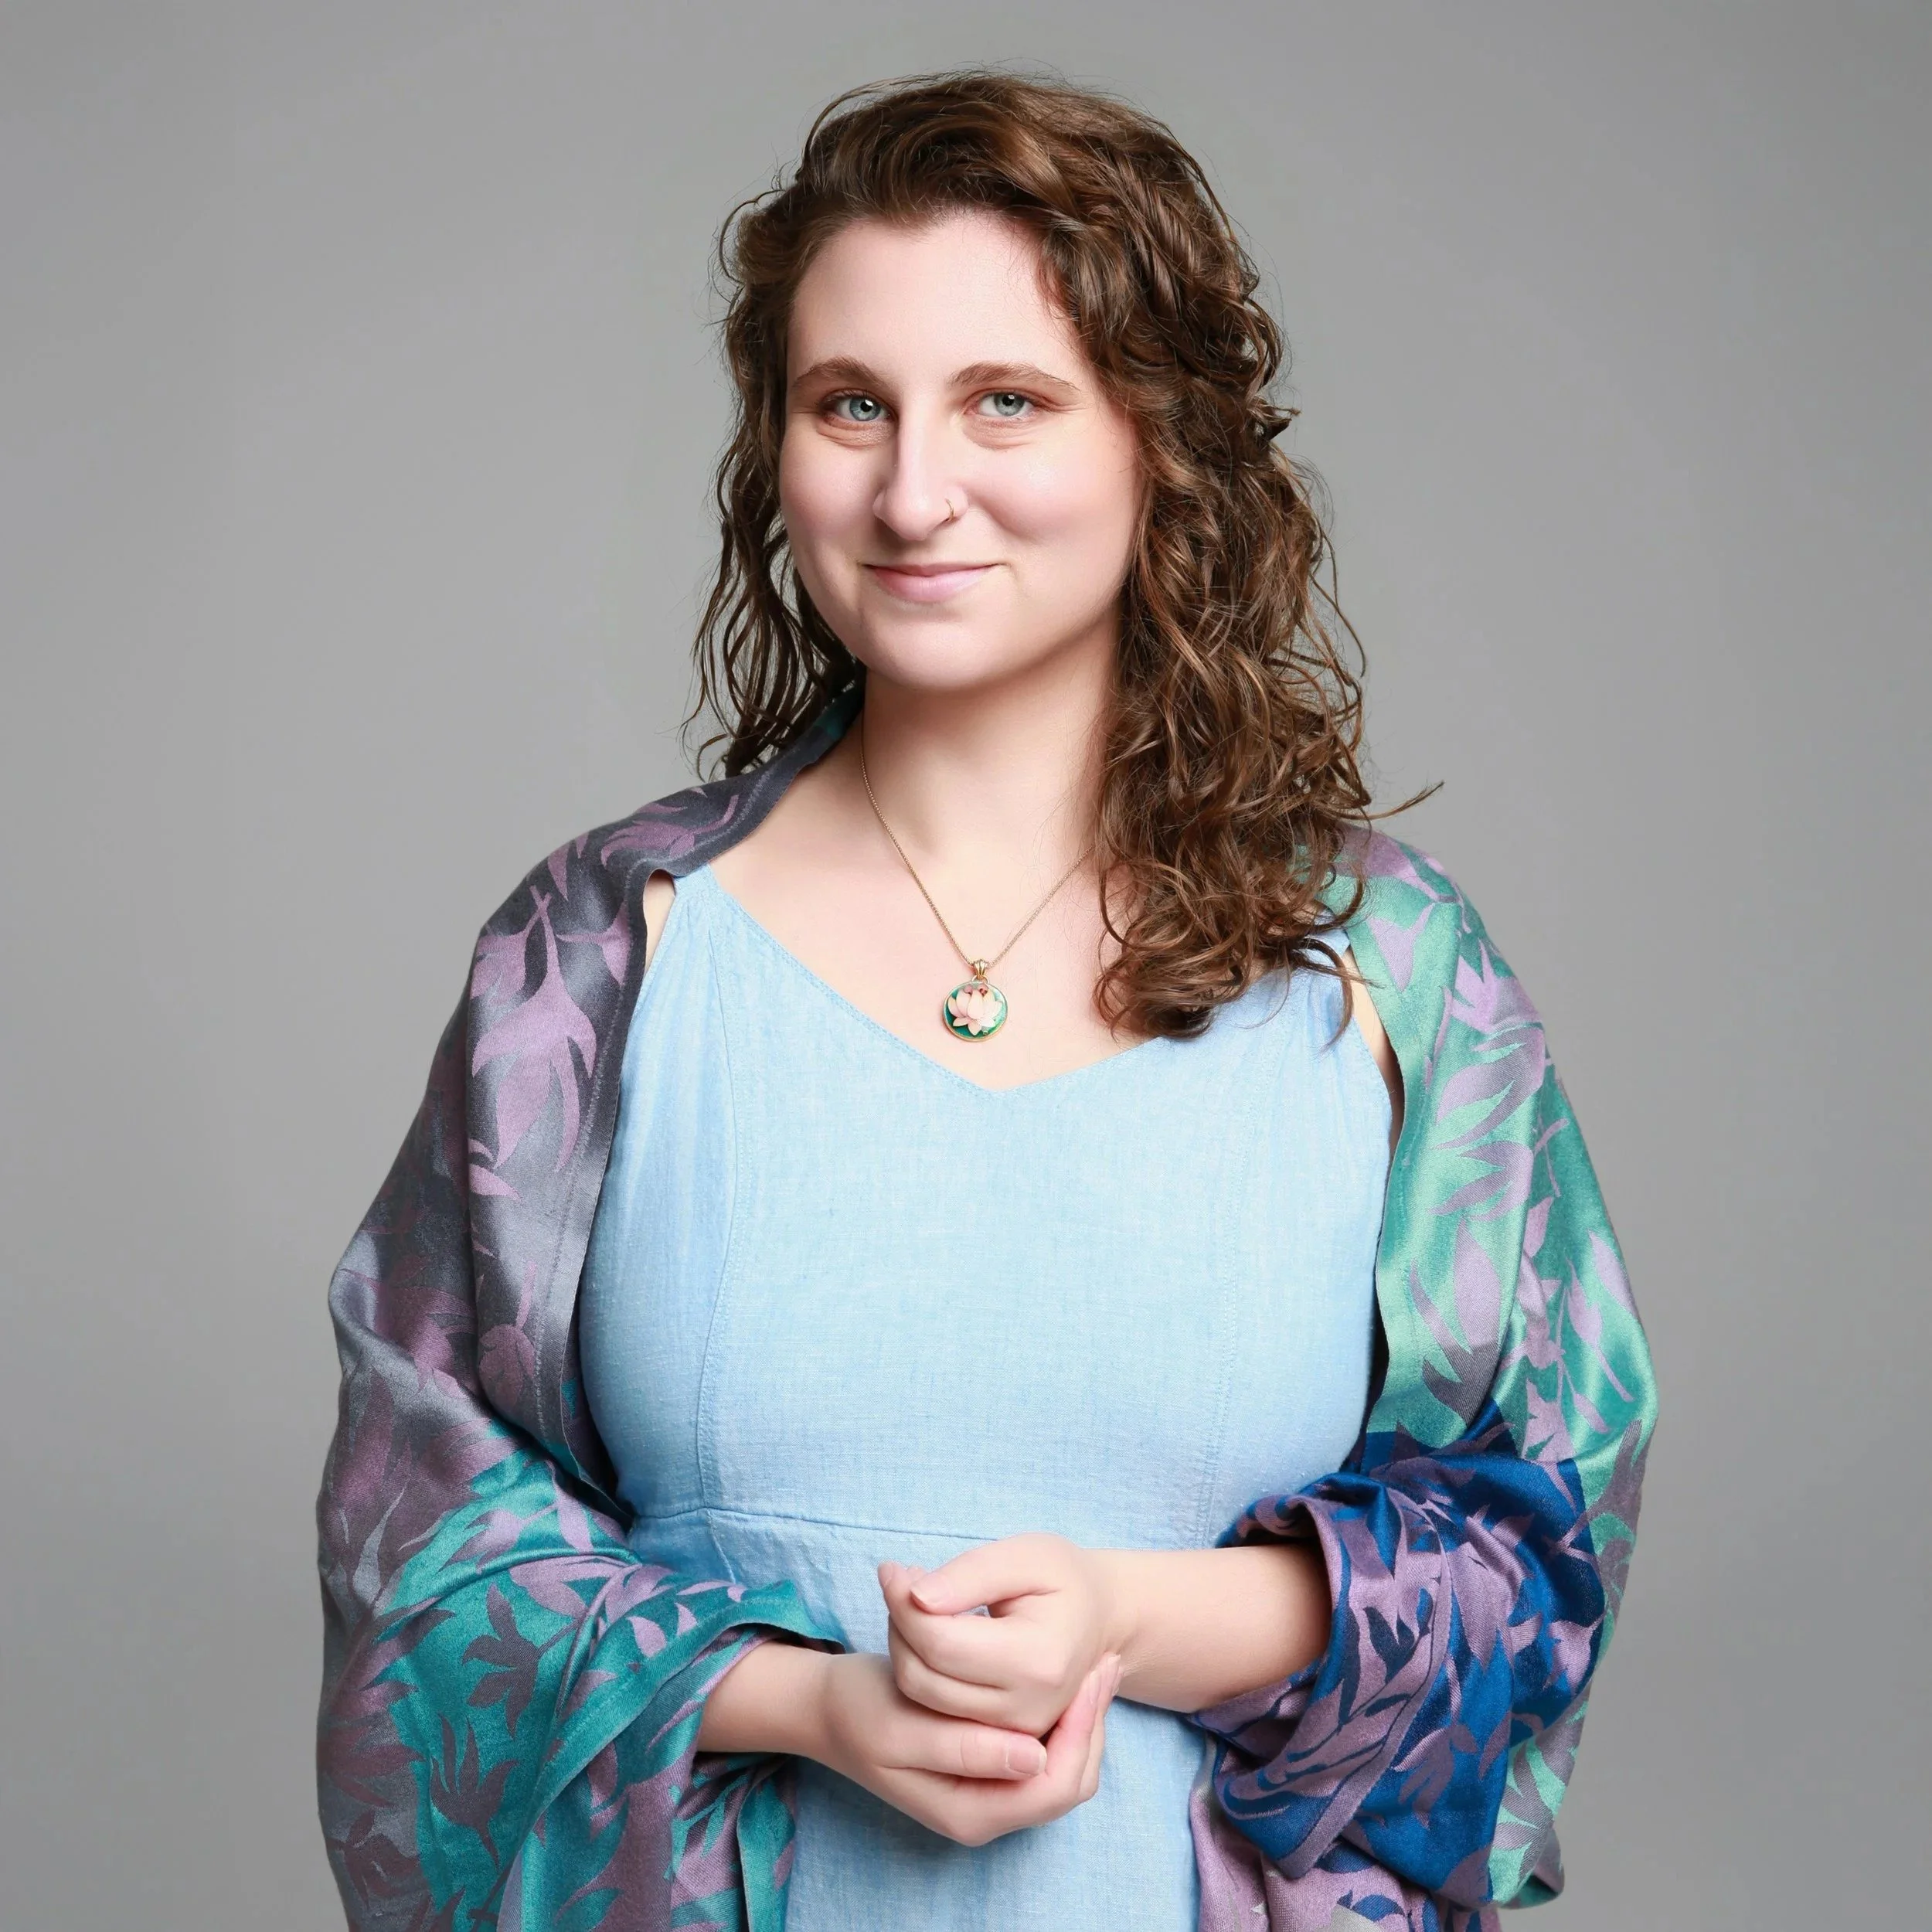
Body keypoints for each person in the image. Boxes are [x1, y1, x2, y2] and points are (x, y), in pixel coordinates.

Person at [315, 70, 1657, 1932]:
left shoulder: (1388, 973)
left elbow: (1538, 1551)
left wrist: (1134, 1616)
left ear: (1158, 437)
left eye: (1003, 399)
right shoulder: (602, 954)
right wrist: (808, 1704)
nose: (911, 490)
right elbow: (424, 1555)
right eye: (846, 404)